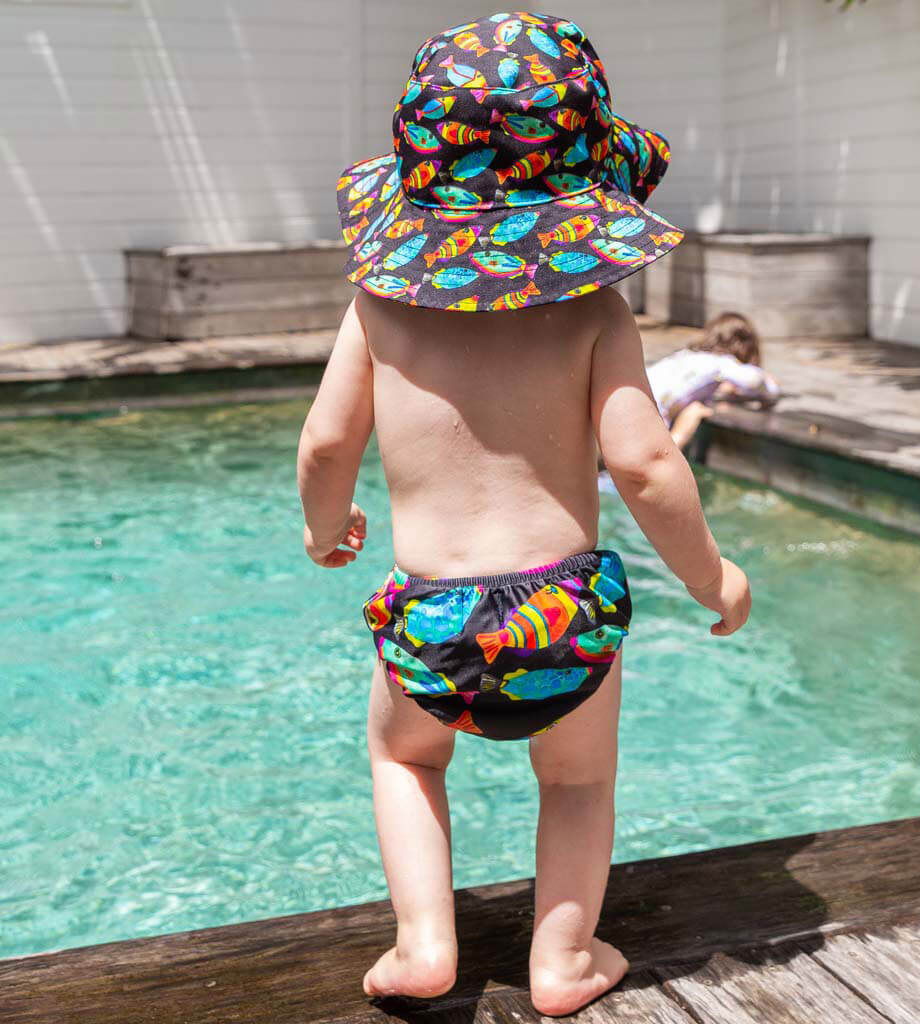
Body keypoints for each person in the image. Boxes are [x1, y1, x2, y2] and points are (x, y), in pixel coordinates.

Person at [297, 13, 751, 1018]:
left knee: (402, 757)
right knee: (578, 786)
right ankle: (564, 955)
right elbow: (643, 461)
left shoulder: (378, 306)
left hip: (430, 617)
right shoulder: (596, 314)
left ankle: (423, 941)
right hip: (564, 616)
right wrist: (712, 577)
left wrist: (327, 530)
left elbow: (326, 444)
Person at [647, 312, 780, 452]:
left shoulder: (687, 355)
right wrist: (769, 383)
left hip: (639, 405)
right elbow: (754, 380)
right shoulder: (721, 363)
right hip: (653, 422)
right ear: (744, 346)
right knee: (666, 450)